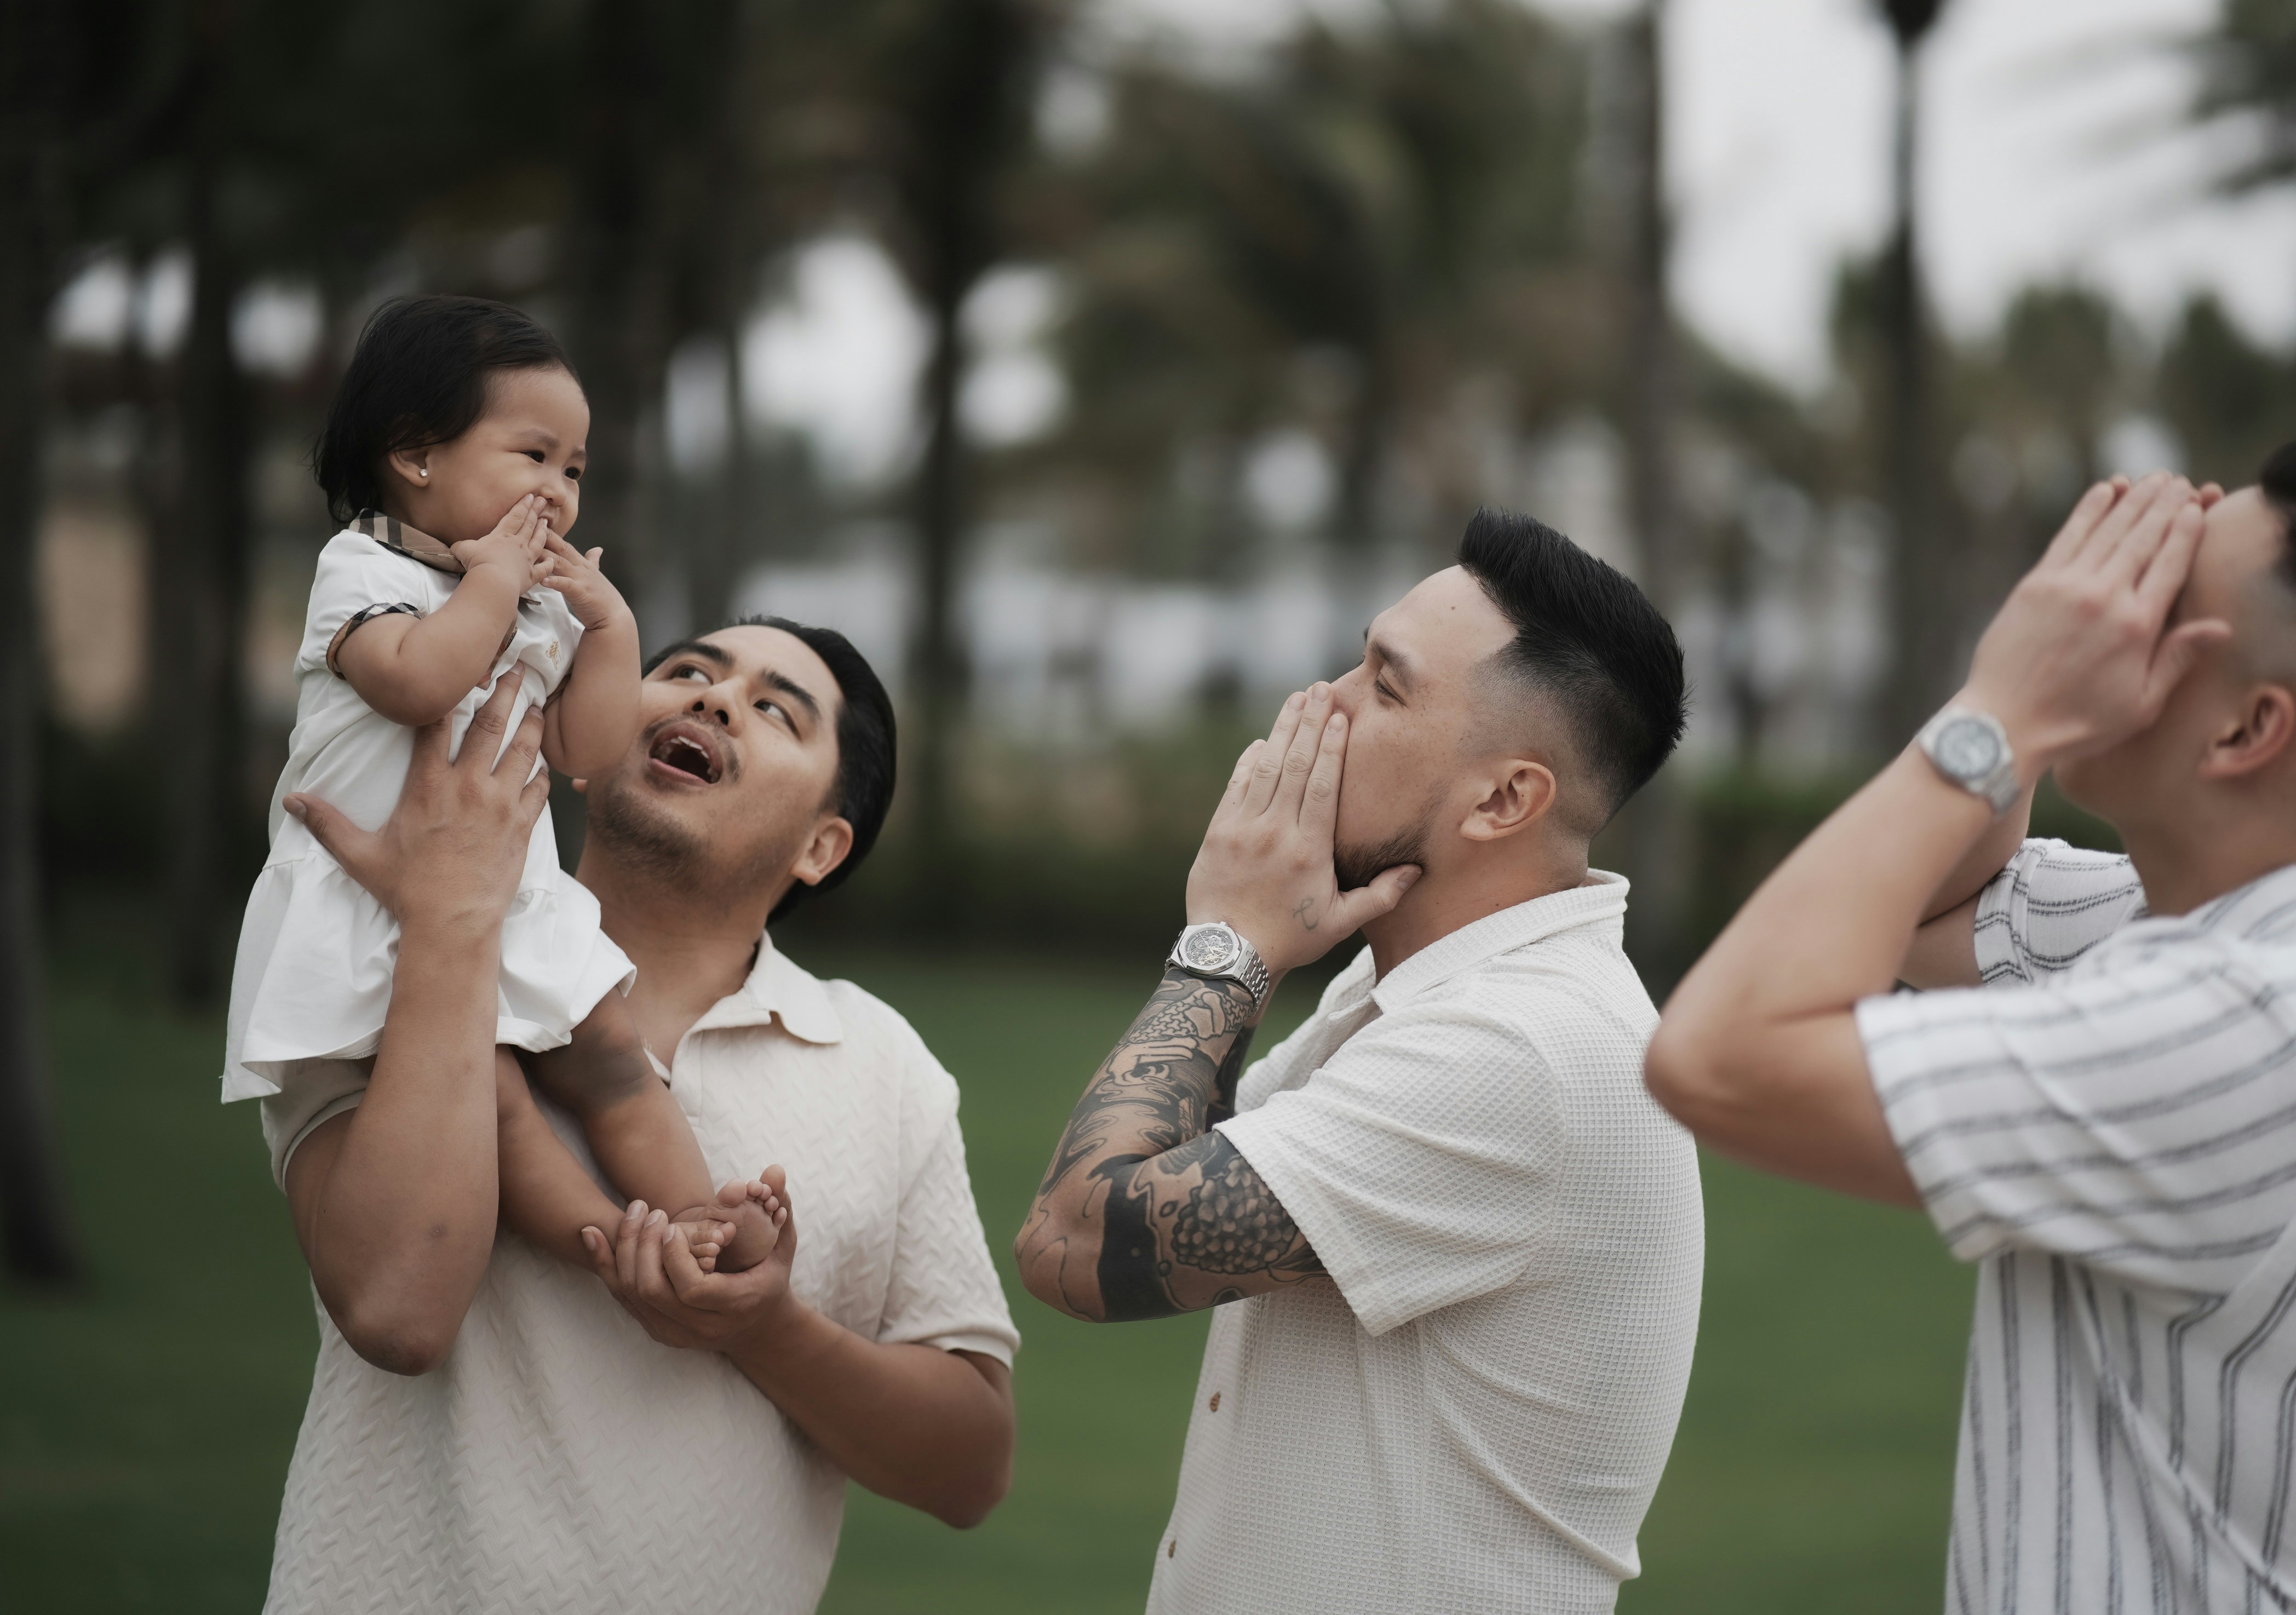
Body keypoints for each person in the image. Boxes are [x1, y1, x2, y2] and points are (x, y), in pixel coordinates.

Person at [1646, 441, 2296, 1613]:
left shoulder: (2264, 1031)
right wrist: (2017, 693)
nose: (2108, 608)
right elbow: (1930, 908)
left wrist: (2005, 706)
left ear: (2243, 732)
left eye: (2160, 598)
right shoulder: (2279, 928)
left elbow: (1721, 1055)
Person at [255, 619, 1019, 1614]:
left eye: (774, 708)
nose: (713, 698)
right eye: (687, 673)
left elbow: (969, 1471)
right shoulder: (381, 946)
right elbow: (396, 1309)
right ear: (585, 743)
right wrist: (450, 927)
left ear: (823, 847)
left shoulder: (884, 1064)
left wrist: (766, 1326)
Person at [1017, 510, 1702, 1615]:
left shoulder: (1518, 1047)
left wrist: (1227, 948)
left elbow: (1075, 1241)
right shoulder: (1418, 990)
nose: (1317, 705)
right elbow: (1174, 1166)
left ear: (1503, 800)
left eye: (1384, 688)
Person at [224, 294, 783, 1272]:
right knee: (493, 1095)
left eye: (575, 470)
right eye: (534, 457)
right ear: (416, 455)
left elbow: (587, 746)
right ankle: (615, 1243)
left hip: (512, 897)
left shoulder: (538, 603)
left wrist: (609, 629)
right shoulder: (363, 570)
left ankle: (699, 1214)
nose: (561, 491)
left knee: (612, 1055)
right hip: (380, 906)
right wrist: (489, 586)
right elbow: (415, 683)